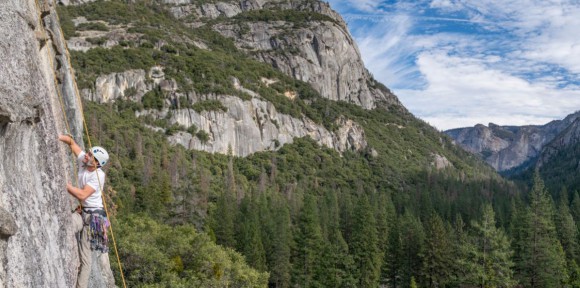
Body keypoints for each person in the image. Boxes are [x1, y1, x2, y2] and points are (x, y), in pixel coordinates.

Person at [58, 134, 110, 288]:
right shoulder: (84, 161)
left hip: (94, 219)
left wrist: (64, 183)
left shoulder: (98, 176)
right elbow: (72, 143)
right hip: (84, 213)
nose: (86, 156)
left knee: (85, 259)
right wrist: (61, 137)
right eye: (88, 153)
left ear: (97, 163)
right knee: (66, 226)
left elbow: (81, 194)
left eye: (90, 156)